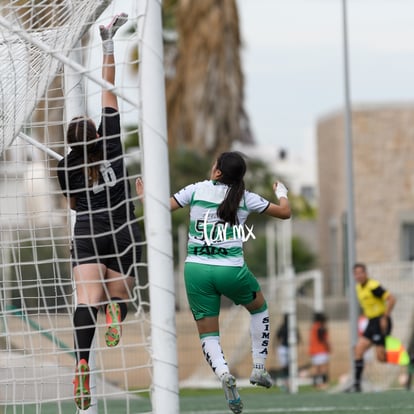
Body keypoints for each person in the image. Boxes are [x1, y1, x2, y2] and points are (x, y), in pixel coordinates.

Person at [137, 151, 291, 414]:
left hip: (196, 270)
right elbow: (285, 213)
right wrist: (282, 191)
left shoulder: (196, 189)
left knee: (208, 333)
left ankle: (223, 375)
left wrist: (144, 196)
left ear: (218, 172)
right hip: (231, 271)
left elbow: (159, 208)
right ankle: (259, 367)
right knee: (260, 309)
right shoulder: (246, 197)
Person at [57, 13, 141, 410]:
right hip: (121, 230)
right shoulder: (109, 141)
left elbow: (72, 204)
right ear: (93, 129)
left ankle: (83, 361)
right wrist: (107, 44)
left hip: (87, 232)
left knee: (85, 301)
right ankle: (116, 314)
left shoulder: (65, 165)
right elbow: (108, 88)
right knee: (118, 297)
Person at [347, 262, 396, 392]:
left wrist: (385, 317)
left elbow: (391, 299)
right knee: (358, 350)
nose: (358, 275)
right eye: (356, 273)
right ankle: (357, 384)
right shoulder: (358, 288)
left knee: (380, 358)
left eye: (360, 272)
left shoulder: (373, 286)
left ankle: (408, 358)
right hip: (371, 322)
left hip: (381, 321)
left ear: (365, 273)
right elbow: (369, 306)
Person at [275, 313, 301, 392]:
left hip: (284, 348)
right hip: (288, 348)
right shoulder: (291, 327)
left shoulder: (285, 327)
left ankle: (287, 383)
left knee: (286, 367)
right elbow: (298, 338)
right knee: (288, 367)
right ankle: (287, 383)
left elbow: (277, 337)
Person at [308, 312, 331, 389]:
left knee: (316, 368)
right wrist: (328, 345)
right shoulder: (320, 327)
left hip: (314, 350)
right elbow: (322, 338)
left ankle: (316, 384)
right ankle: (324, 383)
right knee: (323, 368)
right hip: (321, 350)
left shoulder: (313, 326)